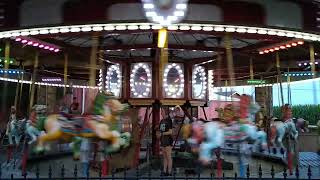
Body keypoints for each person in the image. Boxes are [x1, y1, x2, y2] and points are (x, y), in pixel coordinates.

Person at [159, 108, 173, 176]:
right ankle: (164, 171)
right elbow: (160, 131)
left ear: (166, 112)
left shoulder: (169, 120)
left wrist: (162, 134)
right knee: (164, 157)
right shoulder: (161, 121)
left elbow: (170, 132)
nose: (161, 113)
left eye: (162, 111)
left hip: (168, 141)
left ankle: (169, 171)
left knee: (168, 157)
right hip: (162, 141)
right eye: (161, 112)